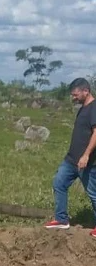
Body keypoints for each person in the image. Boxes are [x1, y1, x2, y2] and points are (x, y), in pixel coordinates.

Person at [45, 77, 96, 237]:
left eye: (75, 95)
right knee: (59, 183)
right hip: (71, 160)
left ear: (86, 91)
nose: (73, 98)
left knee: (93, 193)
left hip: (86, 161)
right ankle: (61, 220)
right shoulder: (83, 108)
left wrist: (86, 155)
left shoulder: (94, 108)